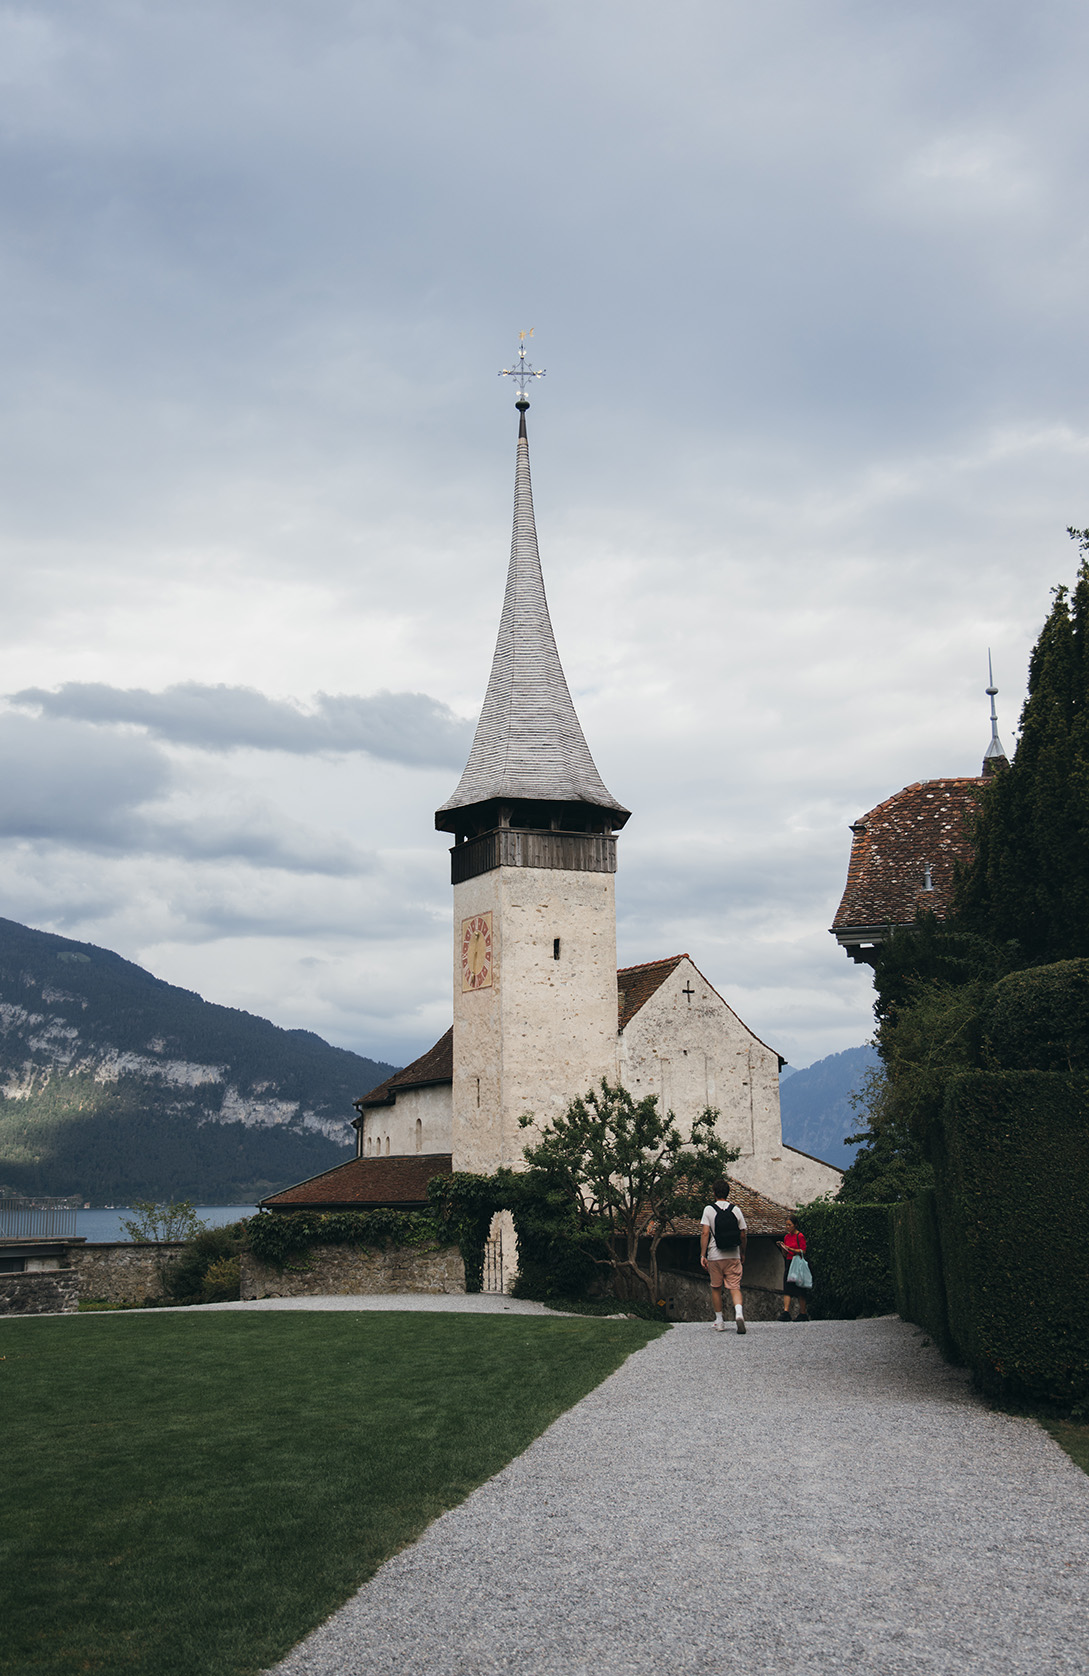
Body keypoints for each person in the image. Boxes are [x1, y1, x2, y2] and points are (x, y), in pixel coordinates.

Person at [700, 1177, 747, 1334]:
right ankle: (739, 1314)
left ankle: (719, 1321)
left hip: (715, 1255)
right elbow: (743, 1234)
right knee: (734, 1287)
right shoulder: (736, 1210)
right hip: (733, 1254)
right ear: (728, 1193)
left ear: (714, 1193)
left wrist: (703, 1254)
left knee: (716, 1288)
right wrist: (742, 1253)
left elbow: (705, 1233)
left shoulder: (709, 1210)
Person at [777, 1215, 809, 1321]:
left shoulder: (799, 1236)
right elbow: (785, 1253)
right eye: (786, 1225)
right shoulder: (787, 1237)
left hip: (798, 1262)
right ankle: (786, 1311)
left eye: (789, 1225)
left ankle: (803, 1313)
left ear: (795, 1225)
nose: (787, 1227)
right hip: (789, 1261)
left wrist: (791, 1249)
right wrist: (783, 1248)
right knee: (787, 1287)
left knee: (800, 1287)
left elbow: (803, 1251)